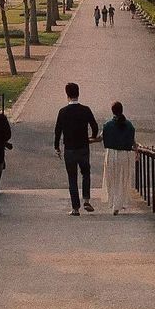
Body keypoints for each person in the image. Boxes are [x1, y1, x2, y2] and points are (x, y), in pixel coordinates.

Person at [54, 82, 99, 216]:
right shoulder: (86, 110)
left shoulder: (62, 112)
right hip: (83, 147)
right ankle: (86, 199)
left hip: (69, 149)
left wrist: (57, 146)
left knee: (72, 178)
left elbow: (58, 131)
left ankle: (75, 208)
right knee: (85, 173)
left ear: (67, 94)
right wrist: (92, 136)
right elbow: (94, 126)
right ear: (78, 93)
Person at [101, 102, 136, 215]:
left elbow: (100, 138)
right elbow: (132, 141)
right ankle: (120, 202)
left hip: (111, 153)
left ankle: (114, 203)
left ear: (112, 111)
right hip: (124, 154)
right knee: (122, 179)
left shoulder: (107, 125)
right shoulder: (129, 125)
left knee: (112, 179)